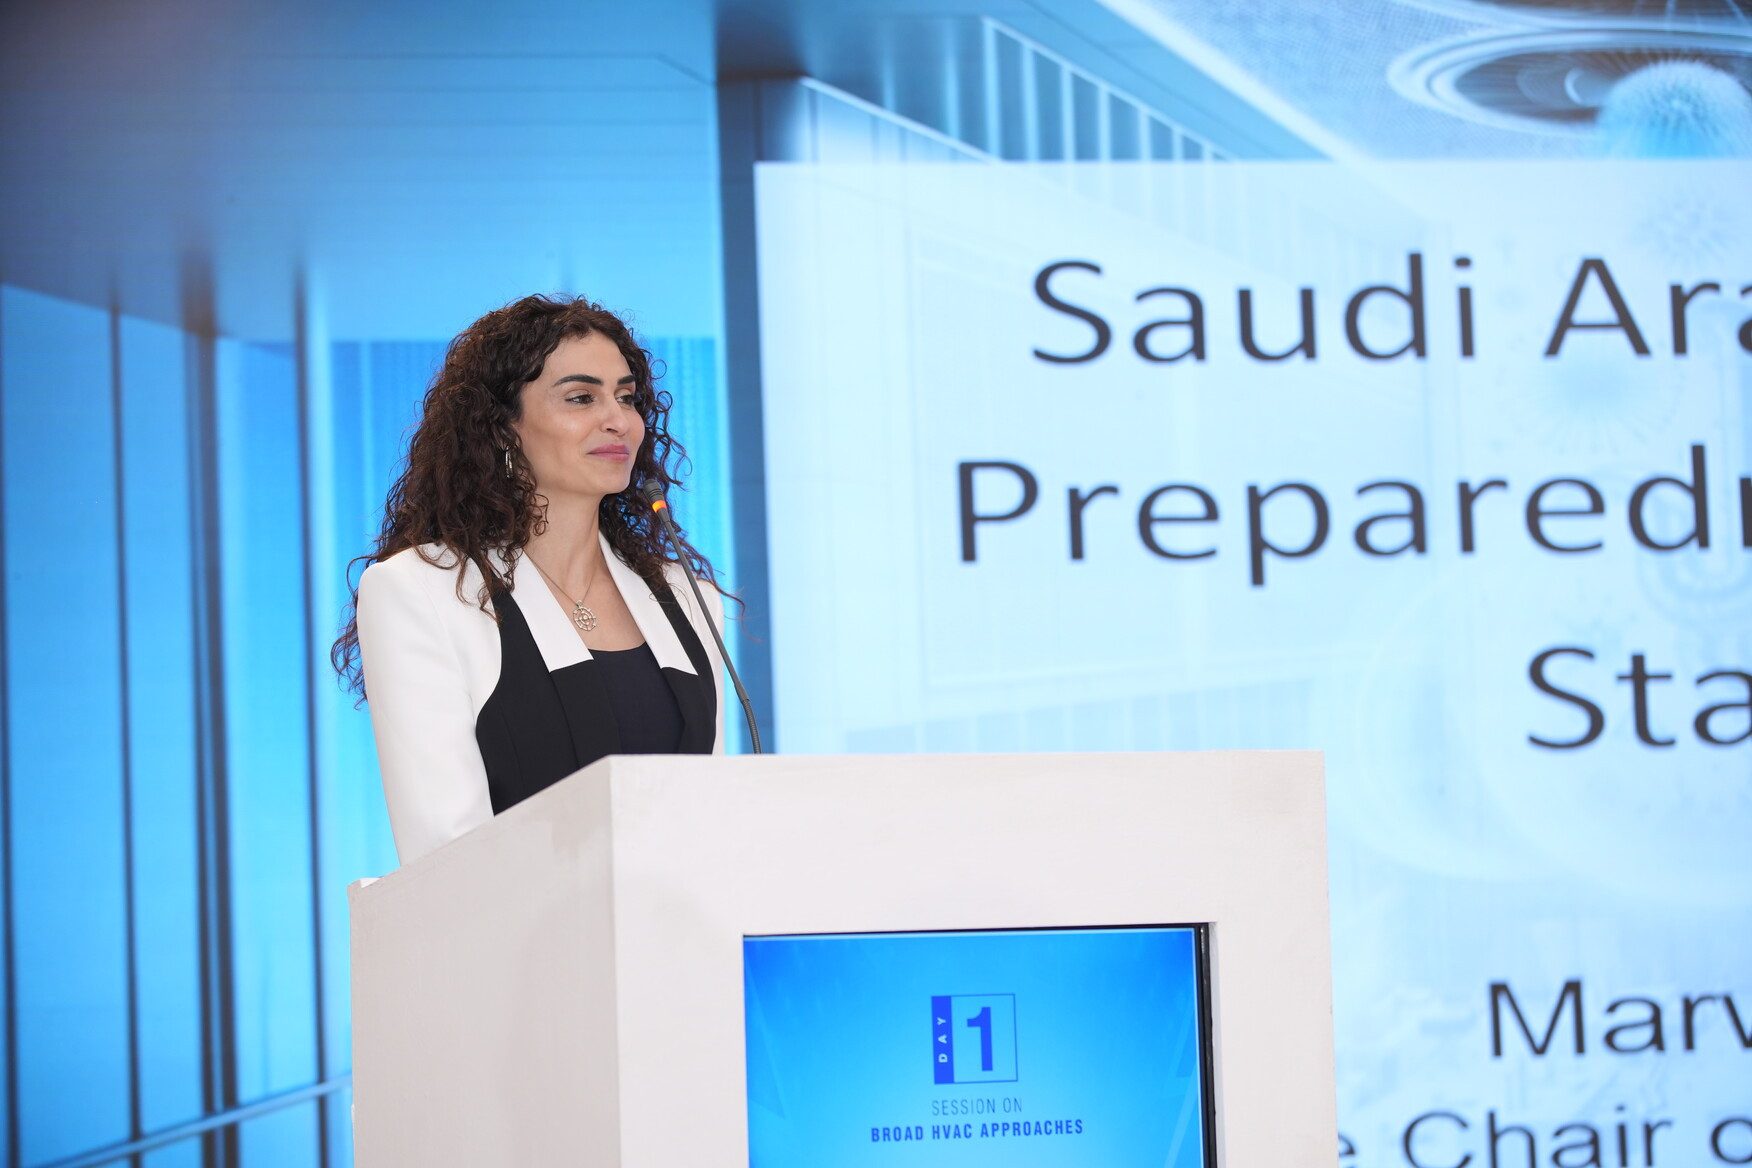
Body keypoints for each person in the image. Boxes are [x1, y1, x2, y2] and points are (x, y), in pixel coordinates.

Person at [332, 294, 729, 865]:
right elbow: (444, 857)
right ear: (500, 427)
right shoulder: (420, 591)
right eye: (581, 397)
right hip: (508, 923)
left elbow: (708, 825)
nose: (618, 420)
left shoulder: (688, 598)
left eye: (626, 397)